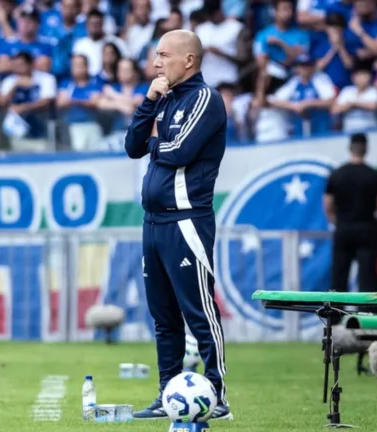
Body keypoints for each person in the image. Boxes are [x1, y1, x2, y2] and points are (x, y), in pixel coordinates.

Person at [124, 29, 231, 420]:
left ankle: (217, 394)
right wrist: (149, 102)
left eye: (164, 55)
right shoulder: (164, 99)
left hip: (187, 220)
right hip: (153, 223)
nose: (156, 63)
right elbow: (133, 146)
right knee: (164, 317)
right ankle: (167, 391)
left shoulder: (206, 99)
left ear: (188, 60)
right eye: (156, 55)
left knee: (199, 312)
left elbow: (179, 151)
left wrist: (157, 142)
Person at [324, 133, 377, 317]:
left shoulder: (337, 174)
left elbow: (328, 205)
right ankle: (366, 320)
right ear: (366, 148)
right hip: (368, 229)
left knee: (339, 278)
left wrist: (339, 223)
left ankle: (335, 319)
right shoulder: (374, 175)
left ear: (350, 148)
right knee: (367, 280)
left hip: (344, 229)